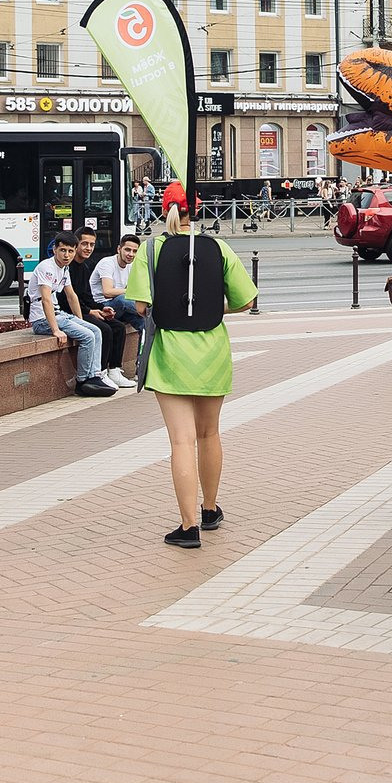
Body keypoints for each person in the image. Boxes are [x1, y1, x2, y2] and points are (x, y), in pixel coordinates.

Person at [130, 183, 255, 547]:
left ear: (165, 208)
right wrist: (213, 309)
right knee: (209, 434)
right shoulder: (219, 247)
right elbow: (246, 300)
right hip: (213, 350)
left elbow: (140, 307)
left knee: (181, 442)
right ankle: (210, 509)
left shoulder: (150, 249)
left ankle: (188, 528)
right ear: (196, 210)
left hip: (170, 352)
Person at [27, 231, 114, 397]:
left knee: (94, 330)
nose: (66, 255)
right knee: (88, 336)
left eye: (70, 251)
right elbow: (46, 300)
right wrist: (55, 330)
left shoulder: (64, 268)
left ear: (75, 251)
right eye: (63, 250)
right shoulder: (47, 268)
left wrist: (81, 322)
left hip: (60, 314)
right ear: (54, 249)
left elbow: (71, 295)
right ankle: (82, 382)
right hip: (43, 320)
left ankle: (94, 376)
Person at [70, 228, 134, 388]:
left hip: (85, 308)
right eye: (84, 244)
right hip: (71, 313)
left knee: (118, 327)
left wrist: (100, 308)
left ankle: (114, 370)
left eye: (92, 244)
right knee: (104, 329)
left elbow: (86, 297)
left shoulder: (84, 266)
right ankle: (100, 373)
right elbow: (67, 299)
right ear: (76, 244)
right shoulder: (69, 266)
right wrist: (90, 311)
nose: (88, 248)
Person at [95, 232, 151, 367]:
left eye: (134, 251)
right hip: (102, 306)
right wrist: (132, 292)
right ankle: (152, 311)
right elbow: (107, 292)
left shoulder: (132, 267)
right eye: (127, 249)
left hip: (122, 309)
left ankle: (140, 366)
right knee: (122, 299)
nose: (130, 254)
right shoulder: (107, 263)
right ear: (118, 249)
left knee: (145, 324)